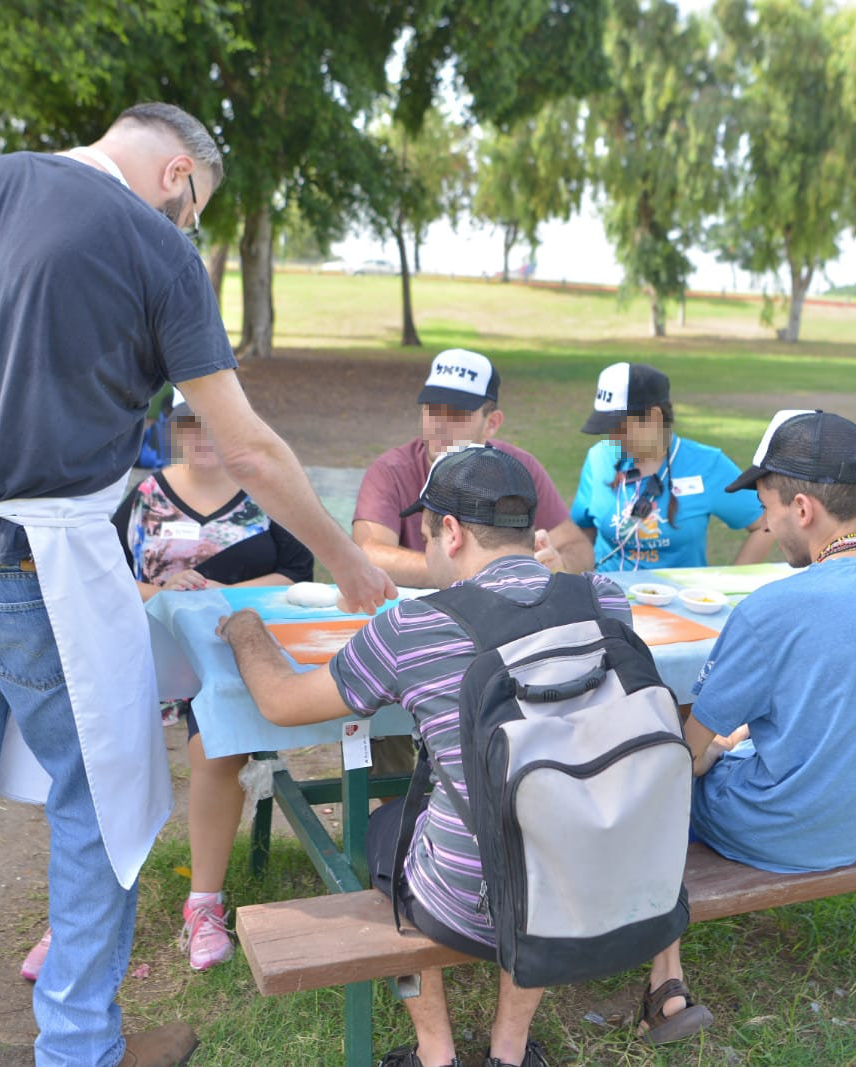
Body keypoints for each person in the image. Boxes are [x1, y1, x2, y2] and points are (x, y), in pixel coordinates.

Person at [0, 101, 395, 1067]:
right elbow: (249, 449)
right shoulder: (155, 247)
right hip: (34, 565)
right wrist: (345, 558)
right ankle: (80, 1045)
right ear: (178, 172)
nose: (188, 227)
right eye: (194, 208)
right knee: (102, 797)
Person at [216, 446, 710, 1067]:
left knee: (385, 826)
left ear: (449, 532)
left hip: (470, 904)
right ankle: (509, 1049)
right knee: (537, 823)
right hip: (588, 865)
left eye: (426, 534)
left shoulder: (411, 628)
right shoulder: (603, 597)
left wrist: (244, 628)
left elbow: (282, 703)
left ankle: (436, 1051)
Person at [19, 400, 315, 979]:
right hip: (143, 656)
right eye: (187, 423)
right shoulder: (142, 495)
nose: (200, 435)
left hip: (228, 654)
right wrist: (165, 594)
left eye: (211, 422)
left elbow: (299, 572)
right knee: (107, 763)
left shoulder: (265, 491)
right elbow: (101, 576)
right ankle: (75, 918)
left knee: (216, 753)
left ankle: (203, 905)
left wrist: (215, 593)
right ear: (169, 429)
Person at [682, 407, 856, 878]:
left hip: (766, 828)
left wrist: (713, 748)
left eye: (766, 509)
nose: (767, 525)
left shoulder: (769, 609)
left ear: (801, 509)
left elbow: (689, 755)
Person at [353, 348, 594, 587]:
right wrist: (480, 572)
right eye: (432, 410)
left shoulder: (517, 469)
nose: (439, 425)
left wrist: (559, 564)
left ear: (491, 423)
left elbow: (577, 547)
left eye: (456, 414)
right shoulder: (392, 471)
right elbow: (367, 553)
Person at [570, 362, 777, 572]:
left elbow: (764, 525)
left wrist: (730, 582)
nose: (612, 439)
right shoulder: (598, 458)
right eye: (607, 429)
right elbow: (581, 532)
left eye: (619, 428)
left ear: (654, 417)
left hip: (679, 594)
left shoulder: (707, 464)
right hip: (606, 591)